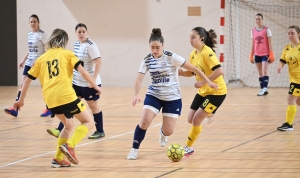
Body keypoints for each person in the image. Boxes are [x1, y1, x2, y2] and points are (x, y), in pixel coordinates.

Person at [13, 28, 102, 168]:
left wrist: (21, 100)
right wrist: (95, 85)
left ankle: (58, 158)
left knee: (68, 125)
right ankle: (70, 146)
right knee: (89, 122)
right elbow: (83, 72)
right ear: (64, 41)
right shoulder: (68, 54)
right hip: (66, 95)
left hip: (50, 100)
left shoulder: (41, 58)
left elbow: (26, 81)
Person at [127, 28, 218, 160]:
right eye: (152, 47)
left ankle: (163, 133)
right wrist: (136, 94)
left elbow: (194, 69)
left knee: (169, 130)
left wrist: (208, 81)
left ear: (163, 46)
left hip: (172, 98)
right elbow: (139, 78)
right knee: (144, 122)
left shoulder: (172, 57)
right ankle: (134, 149)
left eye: (157, 47)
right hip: (154, 95)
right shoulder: (147, 60)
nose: (154, 51)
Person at [46, 23, 105, 139]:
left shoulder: (91, 45)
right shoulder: (77, 44)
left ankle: (100, 131)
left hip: (89, 83)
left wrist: (93, 81)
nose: (81, 34)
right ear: (75, 33)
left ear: (87, 32)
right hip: (77, 82)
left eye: (83, 31)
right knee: (69, 105)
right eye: (79, 32)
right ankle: (59, 129)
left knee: (93, 107)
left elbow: (98, 62)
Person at [179, 27, 227, 156]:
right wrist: (183, 74)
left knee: (196, 120)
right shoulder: (193, 54)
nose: (190, 40)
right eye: (190, 37)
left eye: (193, 37)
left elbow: (219, 71)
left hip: (217, 92)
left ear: (202, 38)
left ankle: (188, 147)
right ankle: (210, 112)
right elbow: (193, 71)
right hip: (203, 91)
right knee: (190, 119)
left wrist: (203, 81)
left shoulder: (208, 52)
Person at [4, 14, 52, 117]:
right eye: (31, 22)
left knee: (44, 86)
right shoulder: (29, 34)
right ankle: (15, 109)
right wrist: (23, 59)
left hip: (40, 64)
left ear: (38, 23)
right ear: (29, 23)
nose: (33, 23)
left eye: (35, 21)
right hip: (29, 63)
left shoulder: (42, 35)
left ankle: (49, 108)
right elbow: (30, 50)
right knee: (23, 85)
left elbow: (48, 50)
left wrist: (40, 60)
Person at [277, 25, 300, 131]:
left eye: (292, 33)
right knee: (298, 101)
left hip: (298, 79)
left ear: (298, 34)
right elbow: (282, 60)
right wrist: (280, 66)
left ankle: (289, 124)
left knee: (290, 98)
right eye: (289, 33)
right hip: (292, 78)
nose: (290, 35)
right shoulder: (287, 48)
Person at [249, 13, 275, 96]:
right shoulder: (253, 30)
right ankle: (262, 89)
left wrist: (271, 54)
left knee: (265, 71)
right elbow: (253, 44)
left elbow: (270, 43)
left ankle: (265, 88)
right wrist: (251, 55)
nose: (257, 21)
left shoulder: (267, 29)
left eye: (259, 19)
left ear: (262, 20)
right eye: (256, 19)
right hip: (257, 54)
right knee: (260, 72)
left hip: (265, 54)